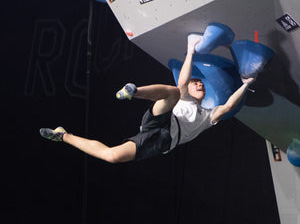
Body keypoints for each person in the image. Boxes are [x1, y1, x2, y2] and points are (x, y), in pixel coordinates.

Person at [40, 38, 255, 163]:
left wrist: (245, 84)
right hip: (163, 119)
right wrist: (190, 51)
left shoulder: (208, 116)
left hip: (162, 141)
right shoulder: (184, 95)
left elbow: (228, 106)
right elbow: (182, 83)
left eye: (202, 85)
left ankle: (62, 135)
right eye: (196, 83)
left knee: (112, 156)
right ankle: (133, 92)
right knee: (173, 92)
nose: (200, 85)